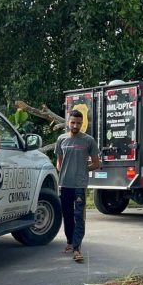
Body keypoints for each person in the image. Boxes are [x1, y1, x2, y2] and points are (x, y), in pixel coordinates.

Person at [55, 109, 100, 262]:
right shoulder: (61, 139)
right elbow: (59, 162)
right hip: (65, 184)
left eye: (78, 123)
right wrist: (62, 170)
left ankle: (77, 249)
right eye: (73, 122)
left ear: (82, 124)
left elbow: (96, 163)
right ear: (68, 122)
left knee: (79, 217)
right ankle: (69, 242)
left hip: (79, 185)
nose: (75, 125)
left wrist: (82, 169)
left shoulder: (88, 141)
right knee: (67, 216)